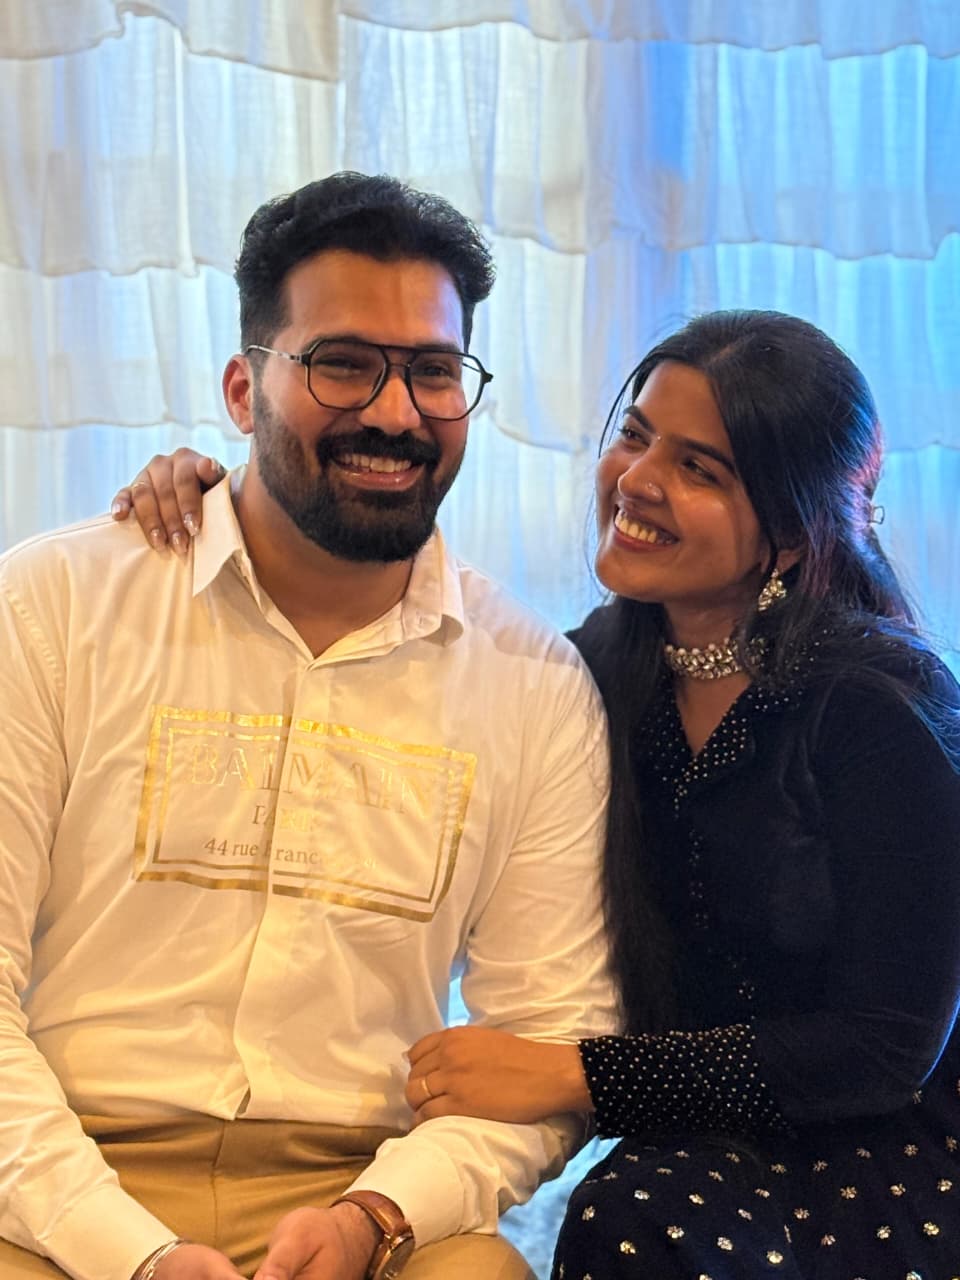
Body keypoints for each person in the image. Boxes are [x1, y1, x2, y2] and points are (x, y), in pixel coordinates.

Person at [131, 310, 960, 1278]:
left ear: (786, 529)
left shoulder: (875, 705)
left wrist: (574, 1073)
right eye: (637, 434)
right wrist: (223, 492)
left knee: (635, 1213)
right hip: (702, 1150)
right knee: (628, 1209)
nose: (638, 480)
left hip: (886, 1145)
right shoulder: (596, 668)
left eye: (701, 468)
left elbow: (886, 1044)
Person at [0, 172, 616, 1280]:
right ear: (244, 388)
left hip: (360, 1194)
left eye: (434, 371)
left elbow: (545, 1040)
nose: (394, 411)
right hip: (57, 1174)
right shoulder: (51, 609)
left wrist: (380, 1213)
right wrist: (129, 1249)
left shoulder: (534, 683)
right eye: (343, 363)